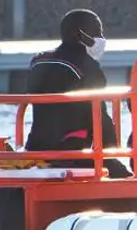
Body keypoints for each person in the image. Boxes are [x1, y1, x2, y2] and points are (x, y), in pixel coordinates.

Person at [24, 9, 130, 178]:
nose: (101, 38)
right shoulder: (87, 67)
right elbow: (99, 116)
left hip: (35, 148)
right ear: (82, 35)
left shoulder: (38, 61)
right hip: (70, 153)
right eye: (97, 32)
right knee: (121, 174)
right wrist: (111, 155)